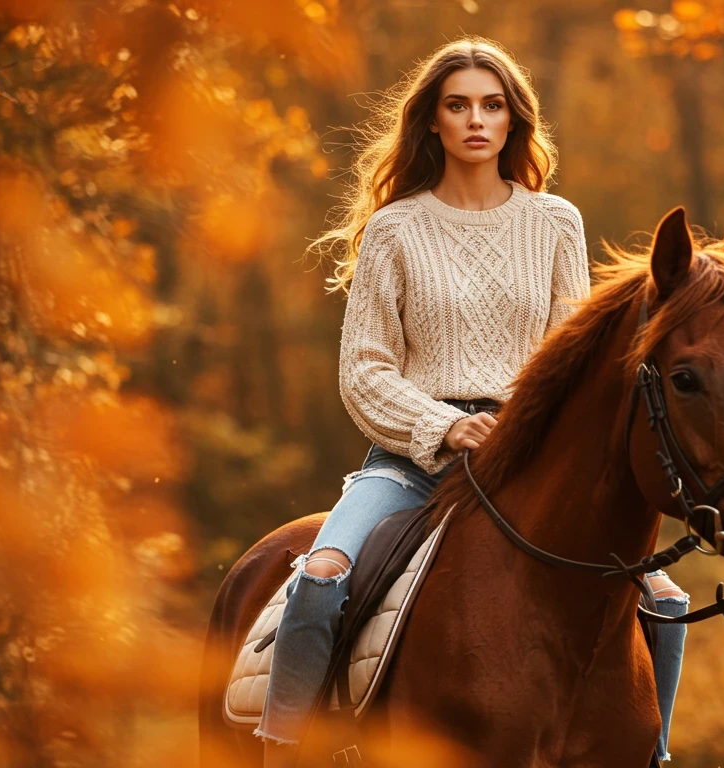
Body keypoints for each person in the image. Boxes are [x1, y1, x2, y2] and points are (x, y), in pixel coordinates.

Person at [254, 36, 691, 764]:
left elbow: (571, 358)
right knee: (323, 574)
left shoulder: (555, 221)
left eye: (493, 105)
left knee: (667, 599)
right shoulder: (396, 228)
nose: (476, 120)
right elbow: (364, 371)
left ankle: (654, 752)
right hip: (410, 462)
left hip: (532, 457)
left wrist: (529, 434)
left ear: (515, 121)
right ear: (433, 121)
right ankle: (284, 749)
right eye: (458, 106)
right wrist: (446, 427)